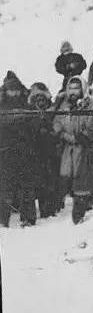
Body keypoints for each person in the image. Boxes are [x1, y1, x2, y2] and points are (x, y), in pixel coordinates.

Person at [53, 76, 93, 224]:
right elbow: (57, 123)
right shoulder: (64, 105)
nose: (73, 92)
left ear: (83, 89)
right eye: (70, 88)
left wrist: (79, 137)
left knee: (83, 184)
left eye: (76, 88)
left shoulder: (90, 105)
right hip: (69, 150)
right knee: (76, 183)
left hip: (86, 150)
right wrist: (65, 135)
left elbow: (91, 127)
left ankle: (78, 219)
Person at [0, 71, 37, 227]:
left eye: (15, 89)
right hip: (5, 151)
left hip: (25, 151)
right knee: (5, 187)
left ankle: (28, 218)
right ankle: (3, 220)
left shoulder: (26, 103)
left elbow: (34, 122)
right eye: (10, 90)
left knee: (26, 186)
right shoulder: (2, 104)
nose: (13, 93)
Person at [27, 82, 61, 218]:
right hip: (37, 152)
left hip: (51, 150)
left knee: (51, 180)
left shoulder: (52, 112)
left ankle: (51, 209)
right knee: (41, 182)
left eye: (42, 99)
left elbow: (56, 126)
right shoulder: (30, 113)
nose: (40, 102)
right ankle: (45, 210)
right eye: (37, 99)